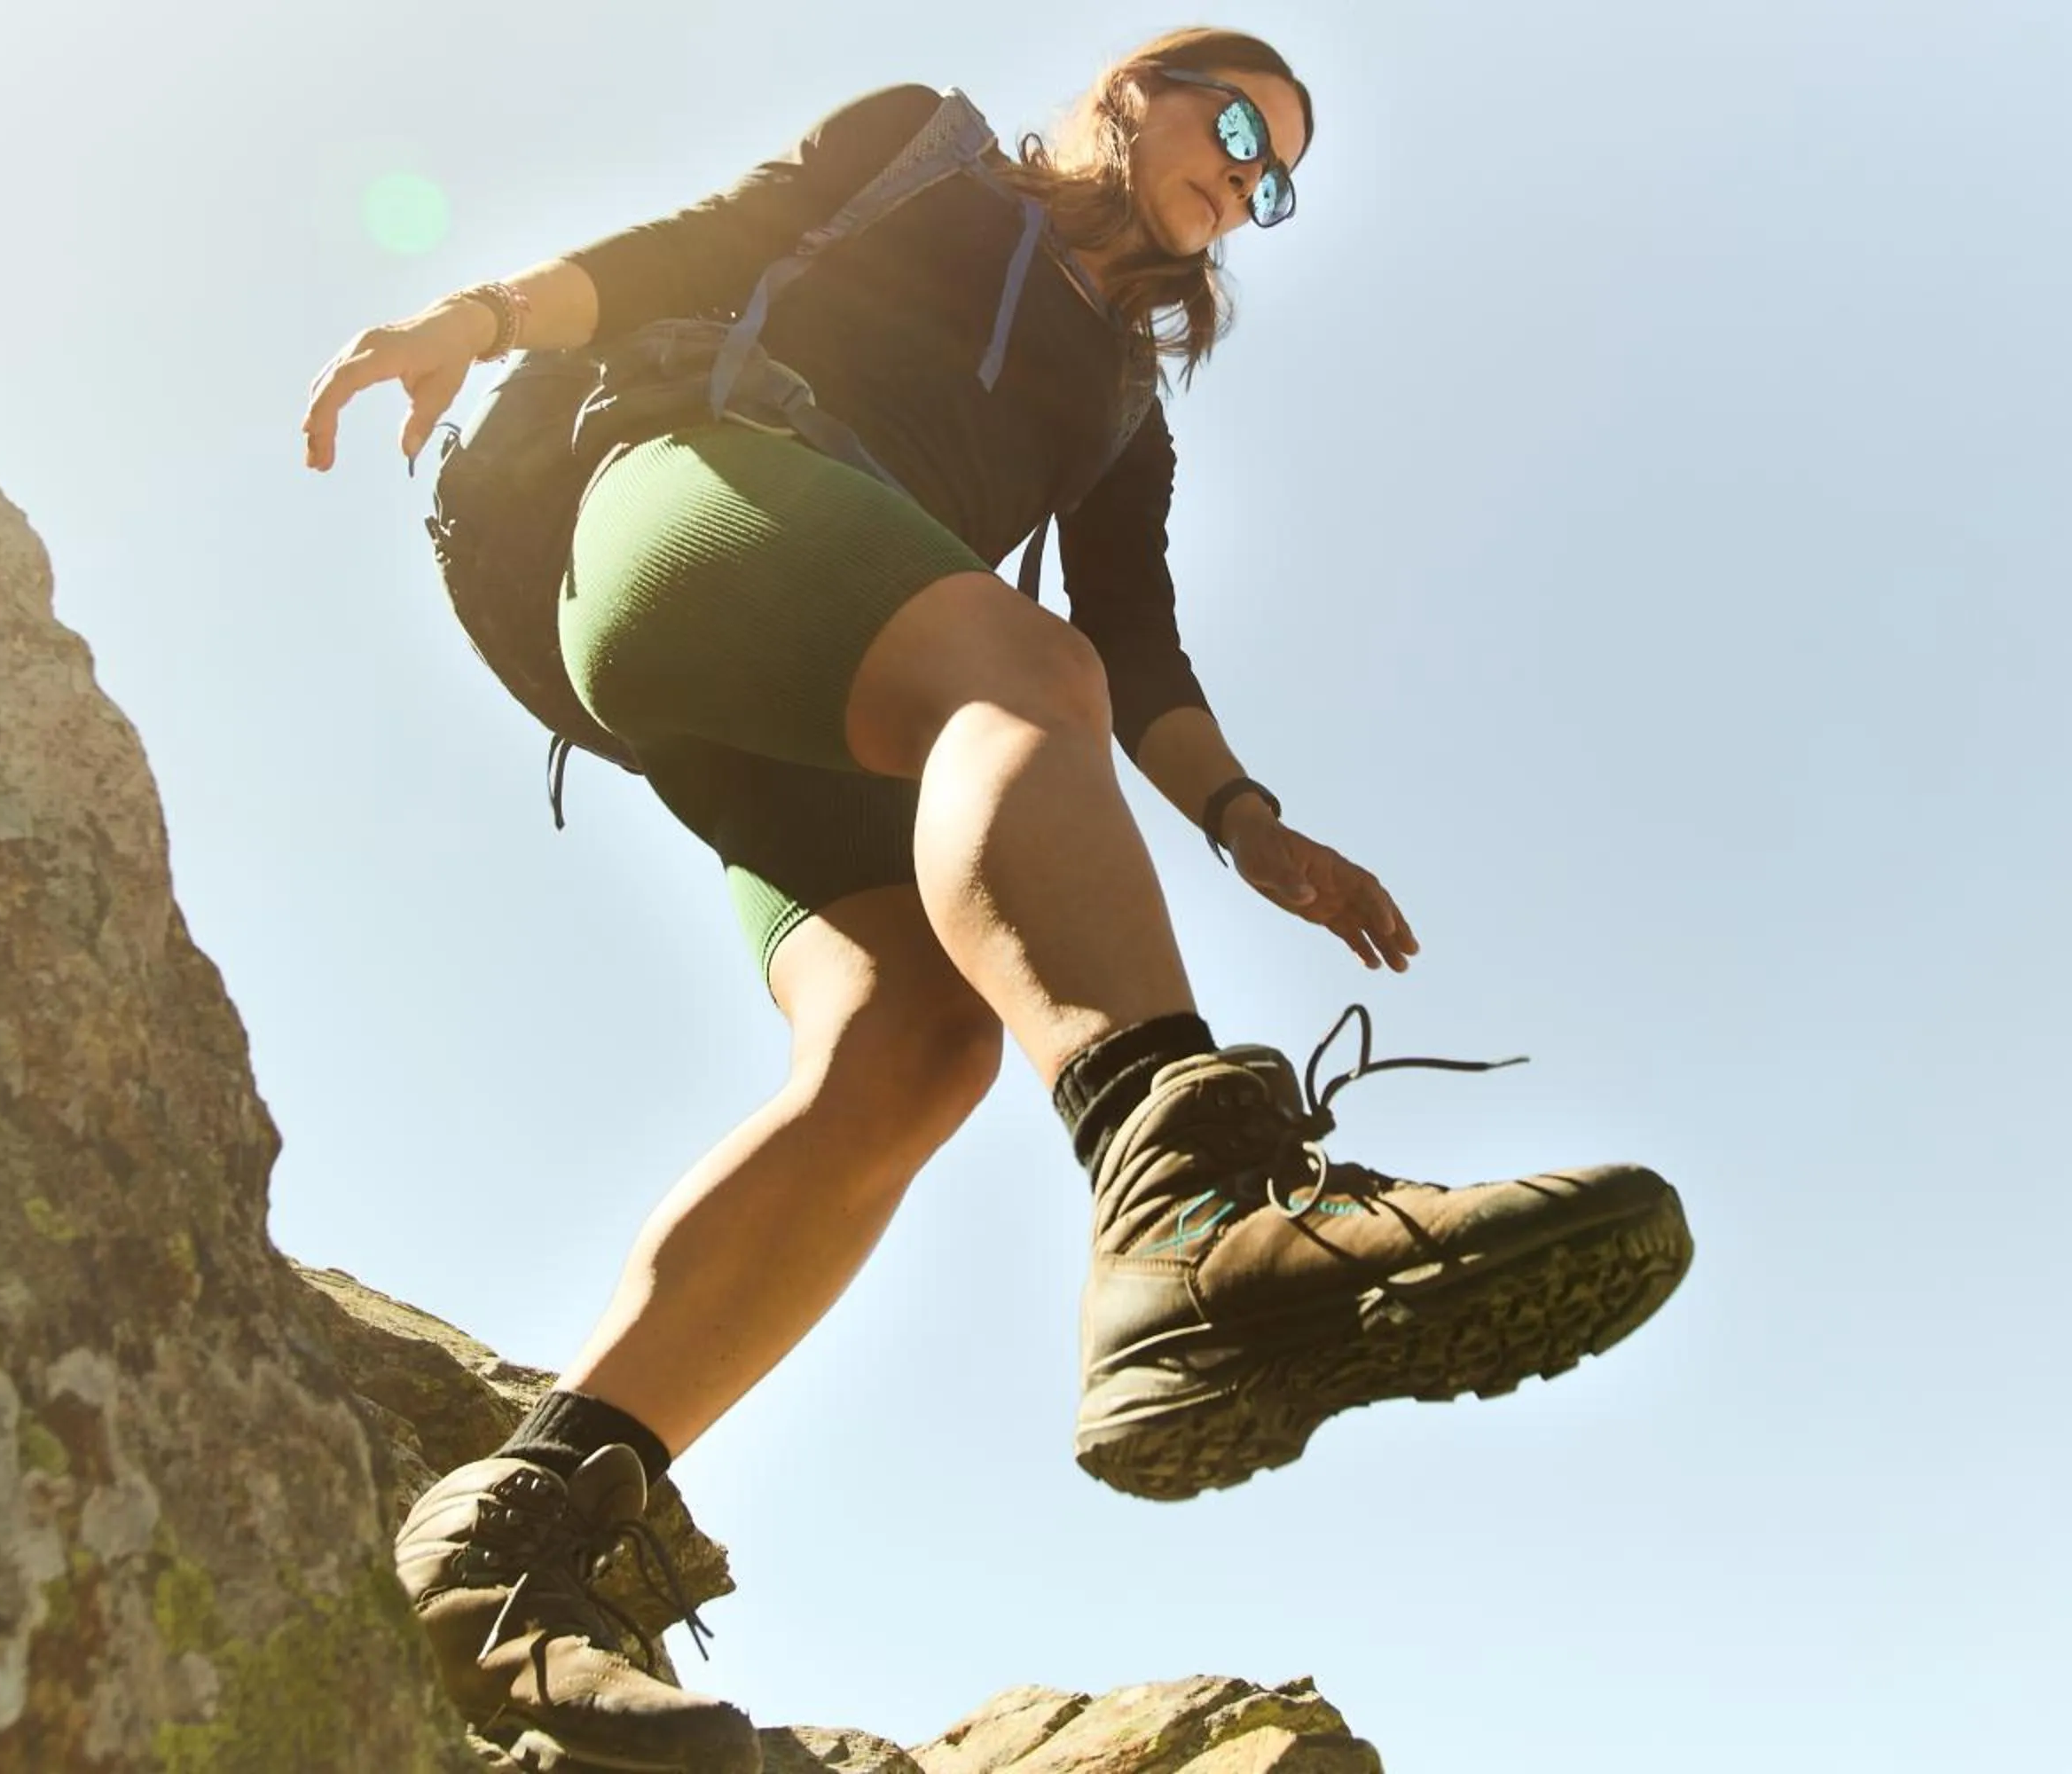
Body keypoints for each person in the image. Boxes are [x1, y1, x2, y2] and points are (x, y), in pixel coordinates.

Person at [302, 27, 1691, 1770]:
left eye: (1278, 180)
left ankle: (512, 1546)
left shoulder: (1123, 413)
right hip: (684, 509)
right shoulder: (929, 154)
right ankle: (1190, 1200)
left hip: (813, 675)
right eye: (1237, 124)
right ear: (1132, 90)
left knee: (913, 1047)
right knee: (1011, 666)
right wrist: (482, 316)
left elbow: (1139, 645)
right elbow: (706, 244)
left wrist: (1249, 825)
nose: (1247, 179)